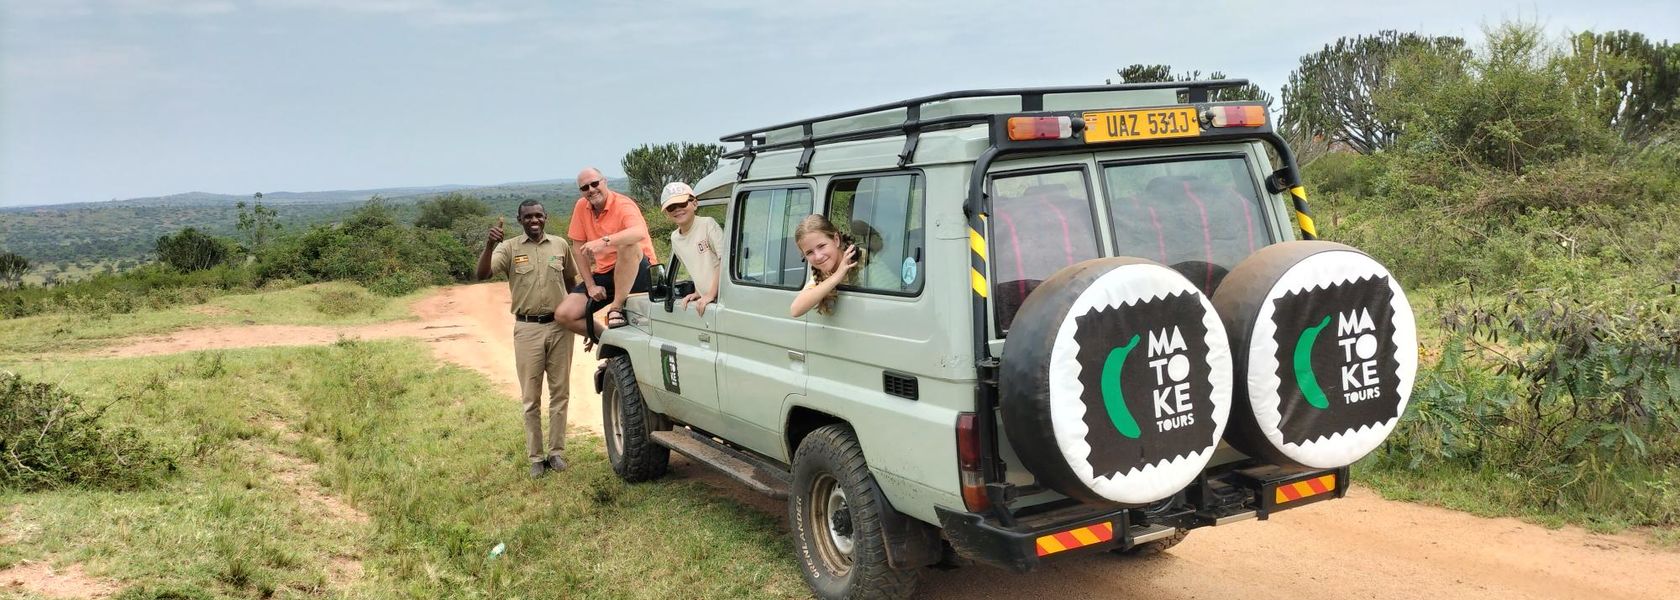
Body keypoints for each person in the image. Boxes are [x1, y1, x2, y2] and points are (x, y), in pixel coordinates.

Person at [475, 200, 580, 478]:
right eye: (528, 216)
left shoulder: (560, 245)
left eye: (538, 215)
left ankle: (556, 453)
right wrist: (488, 245)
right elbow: (481, 274)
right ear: (519, 220)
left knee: (560, 393)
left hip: (560, 328)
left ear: (545, 217)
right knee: (531, 397)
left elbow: (571, 282)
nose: (534, 220)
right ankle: (536, 457)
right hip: (527, 329)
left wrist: (577, 316)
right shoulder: (508, 248)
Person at [558, 167, 659, 340]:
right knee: (564, 314)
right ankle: (610, 343)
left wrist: (604, 241)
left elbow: (639, 232)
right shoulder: (582, 206)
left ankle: (616, 308)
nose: (591, 190)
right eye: (585, 188)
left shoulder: (623, 204)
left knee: (628, 244)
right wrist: (590, 286)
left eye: (595, 183)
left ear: (604, 182)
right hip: (606, 272)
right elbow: (578, 248)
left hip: (639, 269)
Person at [660, 181, 724, 316]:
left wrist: (710, 294)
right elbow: (694, 267)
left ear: (694, 204)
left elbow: (723, 261)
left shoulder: (708, 224)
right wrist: (697, 292)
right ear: (667, 213)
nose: (677, 209)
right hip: (707, 302)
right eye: (671, 207)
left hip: (723, 299)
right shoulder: (675, 238)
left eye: (682, 204)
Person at [789, 214, 860, 318]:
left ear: (836, 240)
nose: (818, 256)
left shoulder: (865, 259)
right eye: (809, 252)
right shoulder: (821, 276)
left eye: (821, 246)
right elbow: (795, 310)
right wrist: (837, 275)